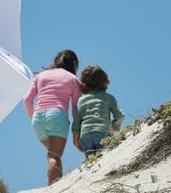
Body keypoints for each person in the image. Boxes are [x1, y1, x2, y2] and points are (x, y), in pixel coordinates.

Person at [23, 49, 81, 185]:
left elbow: (27, 100)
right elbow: (76, 108)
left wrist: (33, 118)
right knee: (54, 155)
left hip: (37, 118)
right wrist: (77, 129)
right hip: (57, 116)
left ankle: (57, 185)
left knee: (53, 154)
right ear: (74, 63)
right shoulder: (73, 79)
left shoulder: (41, 76)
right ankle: (52, 190)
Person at [72, 65, 124, 157]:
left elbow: (76, 124)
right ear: (104, 81)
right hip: (102, 132)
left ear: (84, 82)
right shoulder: (109, 98)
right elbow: (119, 116)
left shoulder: (81, 101)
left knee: (92, 162)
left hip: (85, 136)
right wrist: (113, 129)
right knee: (104, 160)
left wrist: (76, 142)